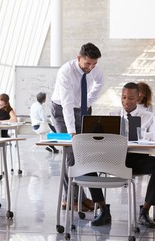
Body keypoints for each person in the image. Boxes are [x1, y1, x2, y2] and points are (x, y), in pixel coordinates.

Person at [51, 42, 104, 213]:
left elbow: (99, 83)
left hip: (81, 107)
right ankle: (70, 199)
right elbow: (67, 105)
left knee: (84, 153)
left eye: (94, 64)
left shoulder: (94, 68)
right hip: (61, 111)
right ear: (79, 58)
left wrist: (87, 102)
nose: (91, 67)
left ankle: (81, 197)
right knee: (71, 154)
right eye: (87, 63)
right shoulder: (66, 72)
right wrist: (72, 132)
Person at [121, 82, 155, 228]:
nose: (126, 101)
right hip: (115, 159)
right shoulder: (113, 115)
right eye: (124, 97)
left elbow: (154, 137)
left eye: (131, 98)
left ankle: (144, 211)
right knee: (89, 162)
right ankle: (102, 209)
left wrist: (143, 136)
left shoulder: (148, 117)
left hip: (137, 158)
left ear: (138, 97)